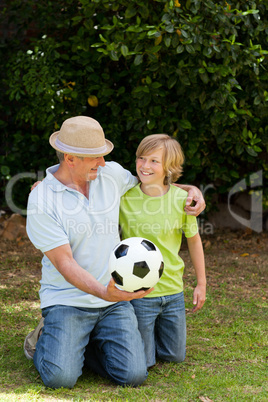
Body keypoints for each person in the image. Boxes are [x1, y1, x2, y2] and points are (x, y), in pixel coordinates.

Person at [24, 116, 205, 389]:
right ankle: (45, 340)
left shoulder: (109, 174)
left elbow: (154, 183)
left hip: (113, 300)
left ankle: (80, 344)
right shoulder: (42, 200)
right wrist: (103, 292)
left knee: (133, 376)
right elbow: (65, 264)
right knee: (60, 378)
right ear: (70, 158)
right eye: (95, 157)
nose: (103, 162)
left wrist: (192, 191)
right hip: (68, 300)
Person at [119, 134, 206, 368]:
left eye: (154, 161)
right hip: (140, 293)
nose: (145, 166)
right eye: (141, 158)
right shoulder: (124, 198)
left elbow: (194, 241)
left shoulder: (182, 200)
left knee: (174, 356)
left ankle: (153, 333)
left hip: (173, 292)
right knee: (145, 362)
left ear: (169, 167)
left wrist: (201, 283)